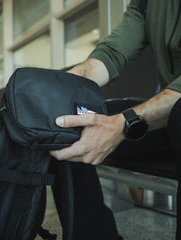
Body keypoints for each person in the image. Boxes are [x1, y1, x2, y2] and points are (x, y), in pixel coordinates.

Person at [49, 0, 181, 239]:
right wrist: (60, 91)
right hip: (171, 113)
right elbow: (111, 54)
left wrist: (123, 124)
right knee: (73, 119)